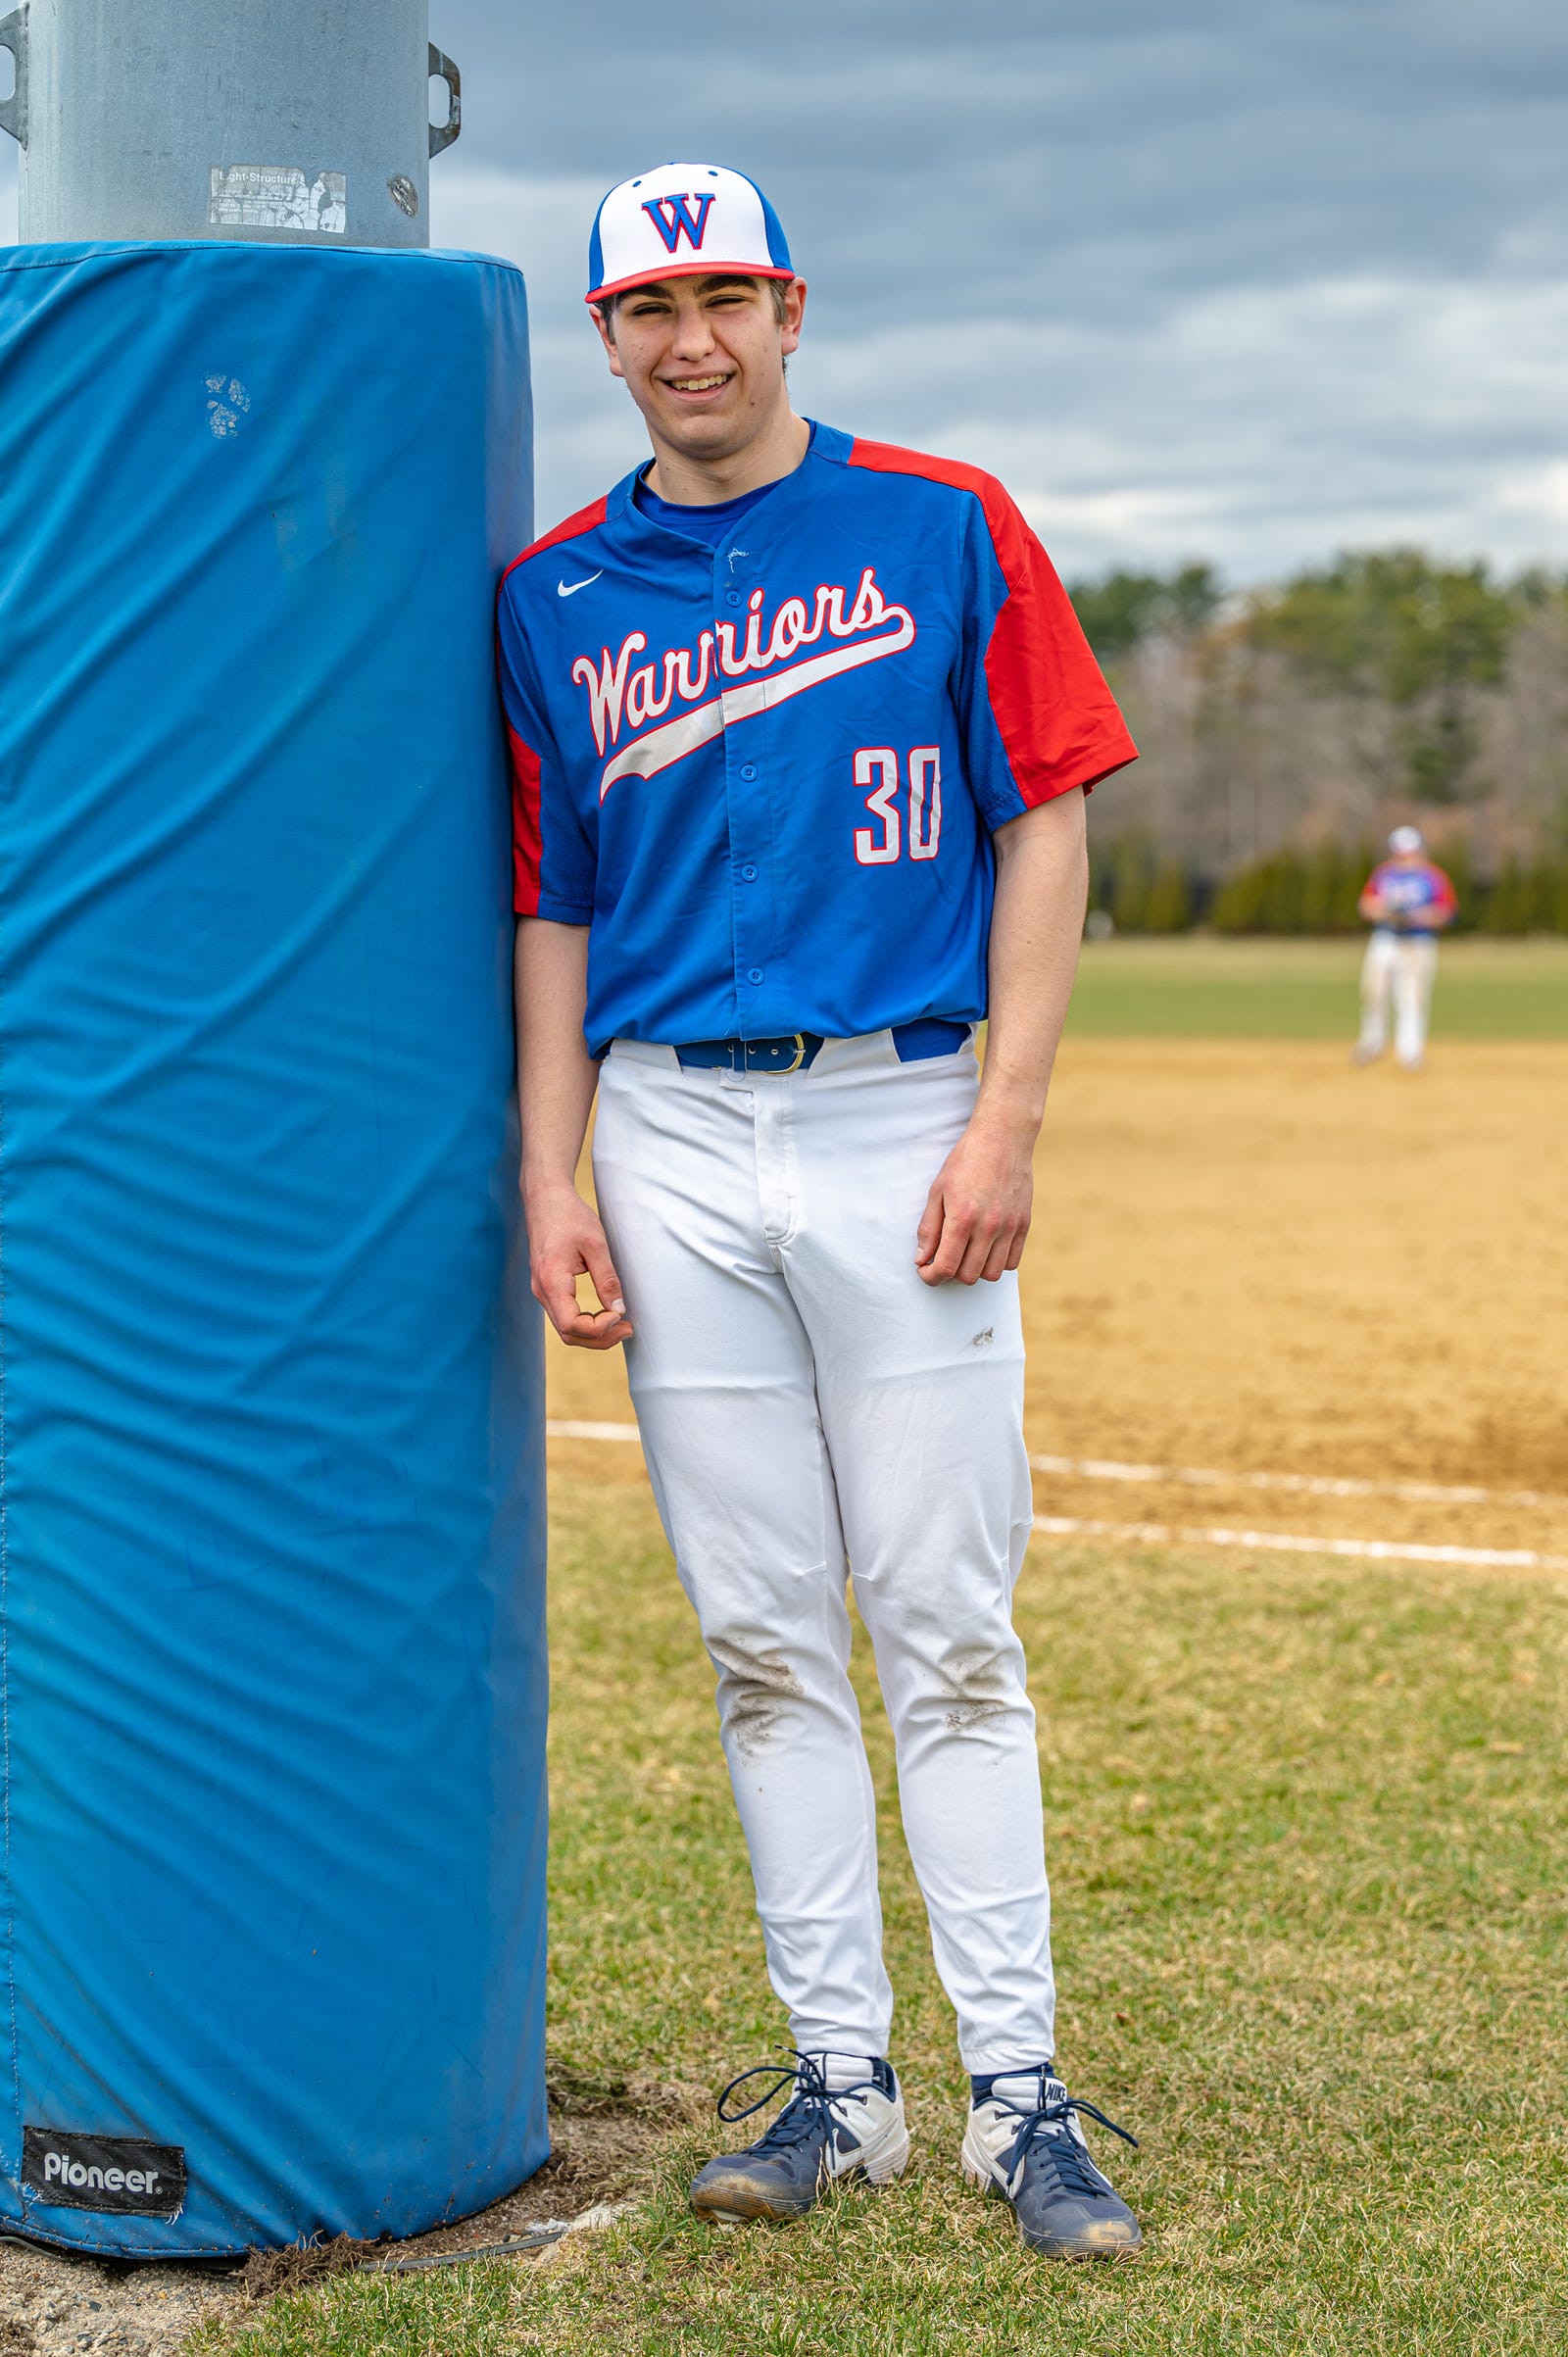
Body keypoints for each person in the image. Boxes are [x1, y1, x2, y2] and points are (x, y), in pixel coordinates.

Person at [497, 162, 1143, 2261]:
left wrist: (1004, 1118)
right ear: (601, 340)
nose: (690, 338)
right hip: (674, 1135)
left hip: (902, 1106)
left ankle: (1020, 2094)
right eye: (645, 307)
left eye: (726, 293)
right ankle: (838, 2081)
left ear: (791, 309)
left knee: (945, 1625)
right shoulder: (552, 591)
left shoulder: (943, 520)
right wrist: (551, 1164)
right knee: (761, 1631)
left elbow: (1038, 819)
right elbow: (552, 899)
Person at [1352, 825, 1457, 1070]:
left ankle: (1410, 1051)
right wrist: (1385, 912)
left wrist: (1418, 916)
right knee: (1373, 993)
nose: (1406, 858)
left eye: (1411, 852)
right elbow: (1365, 905)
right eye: (1400, 853)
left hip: (1417, 942)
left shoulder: (1433, 876)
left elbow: (1447, 912)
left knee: (1411, 997)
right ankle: (1372, 1043)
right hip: (1386, 938)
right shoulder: (1384, 874)